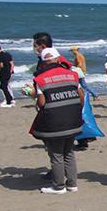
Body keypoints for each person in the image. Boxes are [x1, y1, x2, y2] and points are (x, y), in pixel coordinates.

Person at [30, 47, 84, 194]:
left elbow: (41, 103)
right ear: (58, 59)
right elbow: (81, 96)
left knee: (56, 154)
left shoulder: (40, 79)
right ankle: (72, 184)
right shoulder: (72, 75)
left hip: (54, 122)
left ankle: (59, 186)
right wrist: (76, 111)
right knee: (69, 152)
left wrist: (32, 96)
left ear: (43, 62)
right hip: (73, 120)